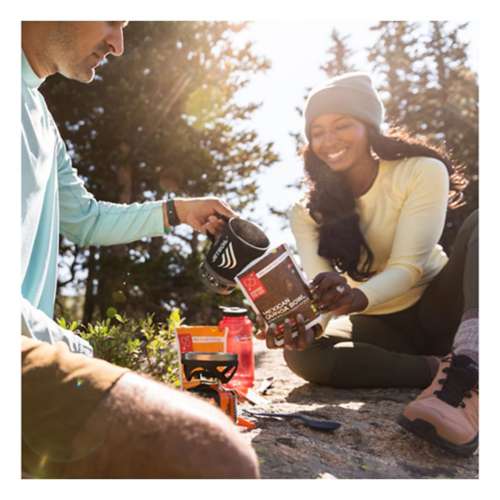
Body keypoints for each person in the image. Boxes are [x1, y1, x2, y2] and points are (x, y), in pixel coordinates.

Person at [21, 21, 259, 478]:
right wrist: (73, 348)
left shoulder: (40, 118)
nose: (118, 44)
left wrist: (176, 211)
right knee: (210, 457)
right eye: (113, 19)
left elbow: (85, 219)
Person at [256, 72, 478, 458]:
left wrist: (356, 297)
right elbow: (321, 291)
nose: (329, 140)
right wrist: (306, 325)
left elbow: (409, 268)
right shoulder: (306, 212)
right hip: (383, 327)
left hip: (441, 306)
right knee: (303, 355)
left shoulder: (420, 171)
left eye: (343, 125)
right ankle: (437, 369)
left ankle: (473, 365)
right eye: (318, 130)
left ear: (369, 127)